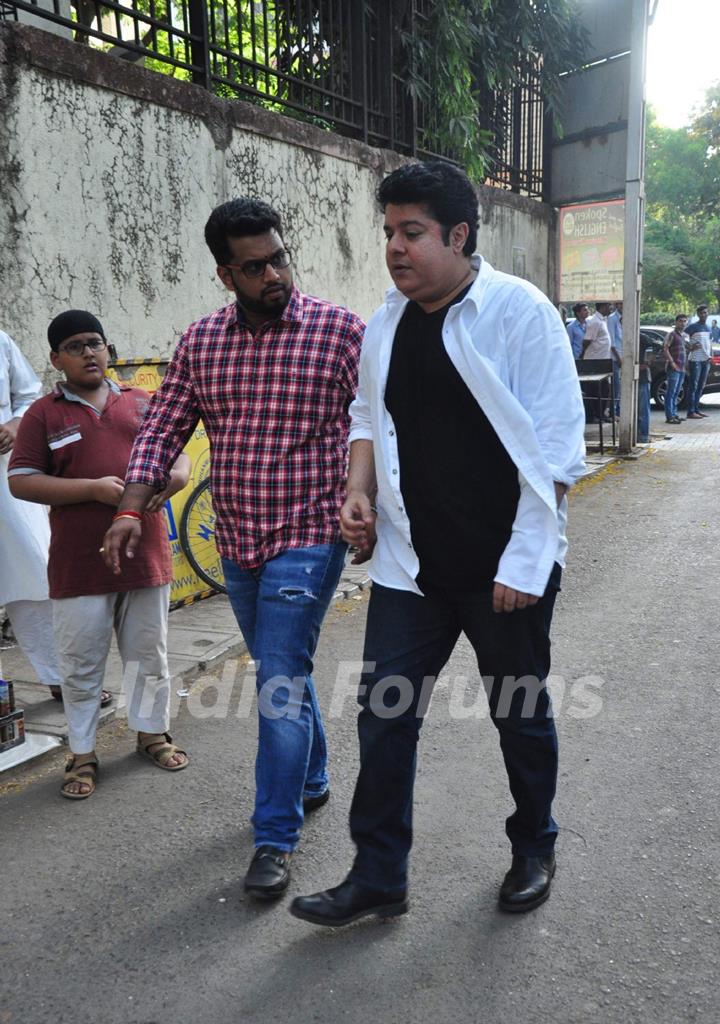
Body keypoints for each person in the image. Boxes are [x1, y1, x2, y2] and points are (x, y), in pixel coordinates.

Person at [290, 162, 586, 928]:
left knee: (518, 711)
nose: (394, 247)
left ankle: (534, 844)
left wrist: (526, 561)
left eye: (411, 232)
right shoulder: (386, 321)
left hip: (503, 570)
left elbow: (555, 451)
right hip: (409, 568)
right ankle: (379, 873)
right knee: (384, 716)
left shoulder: (519, 314)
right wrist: (359, 491)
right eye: (388, 231)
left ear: (458, 235)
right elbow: (365, 414)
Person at [102, 199, 365, 899]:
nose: (275, 274)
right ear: (226, 273)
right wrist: (133, 505)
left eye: (280, 257)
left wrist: (374, 507)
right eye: (255, 267)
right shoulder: (200, 342)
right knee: (286, 665)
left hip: (310, 535)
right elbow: (161, 431)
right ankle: (311, 778)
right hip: (237, 539)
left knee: (277, 680)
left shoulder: (341, 333)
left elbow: (380, 426)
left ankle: (274, 839)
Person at [8, 310, 190, 798]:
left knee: (148, 654)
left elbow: (180, 459)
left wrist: (162, 483)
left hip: (144, 554)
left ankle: (152, 733)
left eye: (95, 342)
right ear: (55, 359)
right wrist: (91, 488)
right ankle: (83, 752)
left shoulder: (142, 404)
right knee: (80, 661)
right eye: (75, 346)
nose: (89, 352)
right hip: (77, 563)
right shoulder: (43, 414)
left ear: (108, 349)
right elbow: (21, 480)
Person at [1, 329, 63, 695]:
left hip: (6, 474)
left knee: (35, 569)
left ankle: (60, 676)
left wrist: (13, 424)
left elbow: (27, 393)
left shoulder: (1, 342)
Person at [684, 305, 712, 419]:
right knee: (693, 385)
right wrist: (690, 347)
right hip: (695, 360)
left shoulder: (708, 327)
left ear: (707, 314)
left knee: (701, 386)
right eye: (701, 313)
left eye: (705, 312)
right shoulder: (692, 327)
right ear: (698, 314)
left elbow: (709, 343)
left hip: (706, 360)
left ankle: (696, 409)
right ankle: (690, 412)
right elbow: (682, 338)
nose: (703, 315)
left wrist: (711, 356)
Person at [662, 314, 688, 424]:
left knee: (676, 393)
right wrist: (672, 362)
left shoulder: (683, 336)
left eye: (684, 321)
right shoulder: (671, 334)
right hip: (674, 367)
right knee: (671, 392)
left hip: (681, 368)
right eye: (680, 321)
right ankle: (669, 416)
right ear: (676, 322)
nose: (682, 323)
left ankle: (674, 414)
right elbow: (665, 348)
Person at [607, 301, 623, 417]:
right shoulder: (612, 319)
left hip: (625, 356)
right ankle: (613, 412)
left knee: (623, 387)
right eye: (620, 304)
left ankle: (619, 411)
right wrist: (618, 358)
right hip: (615, 357)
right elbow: (611, 343)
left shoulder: (627, 317)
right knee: (615, 387)